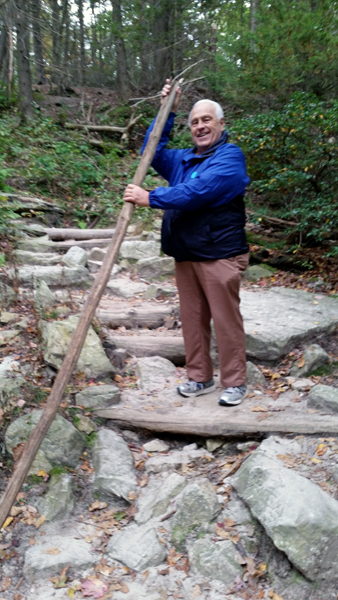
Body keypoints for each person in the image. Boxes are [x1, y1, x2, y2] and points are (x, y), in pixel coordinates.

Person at [123, 80, 250, 407]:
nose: (200, 126)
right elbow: (152, 150)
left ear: (221, 125)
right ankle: (199, 377)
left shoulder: (230, 157)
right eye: (194, 122)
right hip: (187, 254)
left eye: (207, 120)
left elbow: (200, 192)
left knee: (225, 321)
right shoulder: (182, 159)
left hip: (220, 254)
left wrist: (151, 198)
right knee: (192, 320)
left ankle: (234, 382)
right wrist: (169, 110)